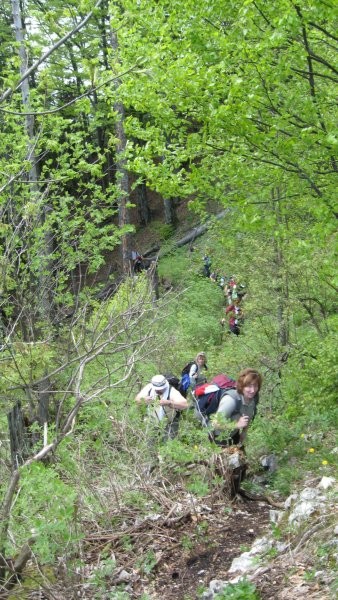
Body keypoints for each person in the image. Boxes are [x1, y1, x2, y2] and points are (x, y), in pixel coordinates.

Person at [209, 368, 262, 447]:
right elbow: (215, 423)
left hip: (234, 434)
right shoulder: (230, 400)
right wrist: (236, 425)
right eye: (249, 386)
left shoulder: (252, 400)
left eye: (255, 386)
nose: (253, 390)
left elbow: (248, 417)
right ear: (242, 386)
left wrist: (244, 432)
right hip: (219, 437)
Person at [135, 374, 188, 440]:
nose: (158, 391)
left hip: (170, 422)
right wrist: (144, 400)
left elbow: (185, 405)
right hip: (151, 422)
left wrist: (169, 403)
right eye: (157, 390)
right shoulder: (149, 388)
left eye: (161, 389)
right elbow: (137, 400)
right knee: (149, 443)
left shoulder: (171, 391)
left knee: (168, 444)